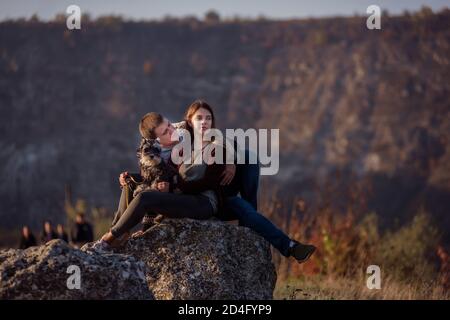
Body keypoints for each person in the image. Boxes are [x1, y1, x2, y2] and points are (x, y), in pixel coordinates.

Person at [96, 100, 315, 263]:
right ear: (157, 140)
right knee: (134, 187)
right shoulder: (157, 156)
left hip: (207, 197)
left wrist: (230, 161)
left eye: (171, 126)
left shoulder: (195, 138)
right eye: (166, 131)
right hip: (186, 198)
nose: (173, 131)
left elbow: (208, 171)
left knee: (248, 160)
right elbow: (152, 178)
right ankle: (116, 233)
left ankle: (284, 243)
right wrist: (133, 178)